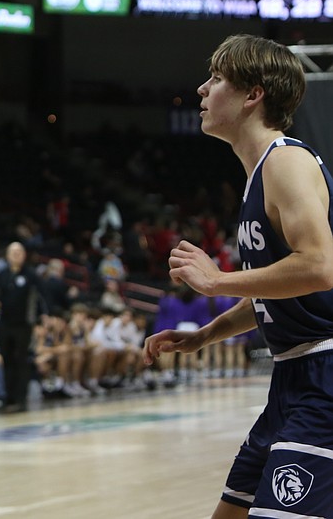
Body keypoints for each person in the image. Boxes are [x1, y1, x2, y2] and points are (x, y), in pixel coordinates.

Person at [143, 34, 333, 519]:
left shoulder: (286, 162)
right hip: (291, 377)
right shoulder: (259, 175)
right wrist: (206, 334)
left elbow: (318, 267)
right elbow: (275, 291)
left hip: (325, 374)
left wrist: (218, 280)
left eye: (217, 78)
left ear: (253, 94)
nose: (203, 90)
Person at [0, 241, 43, 411]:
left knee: (21, 360)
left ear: (24, 255)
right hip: (4, 324)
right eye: (13, 252)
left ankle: (20, 398)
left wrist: (39, 320)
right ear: (7, 255)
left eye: (19, 252)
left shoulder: (31, 275)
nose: (16, 255)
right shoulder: (2, 274)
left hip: (24, 325)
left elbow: (39, 298)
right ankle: (8, 397)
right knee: (7, 360)